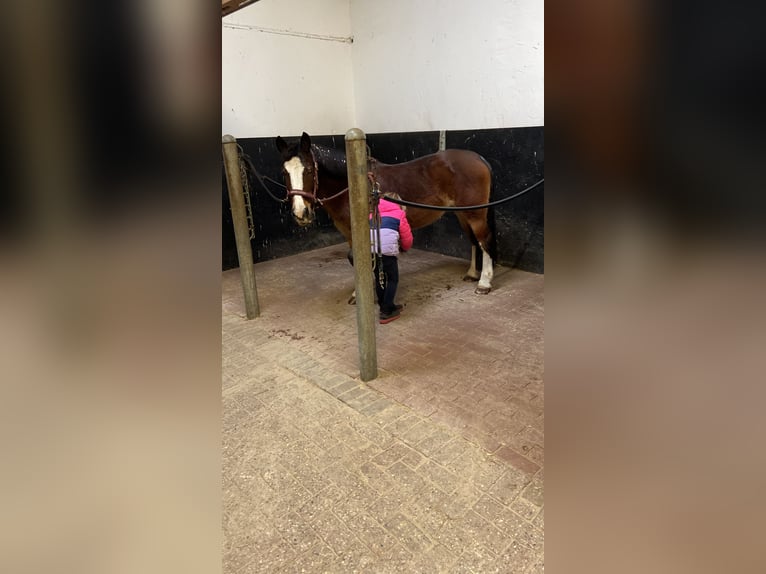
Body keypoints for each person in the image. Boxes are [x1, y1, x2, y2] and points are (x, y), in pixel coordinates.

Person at [370, 194, 413, 324]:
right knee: (393, 279)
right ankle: (386, 311)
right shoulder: (399, 213)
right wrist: (405, 248)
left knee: (379, 278)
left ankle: (384, 304)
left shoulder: (372, 214)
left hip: (372, 252)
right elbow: (407, 237)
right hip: (388, 253)